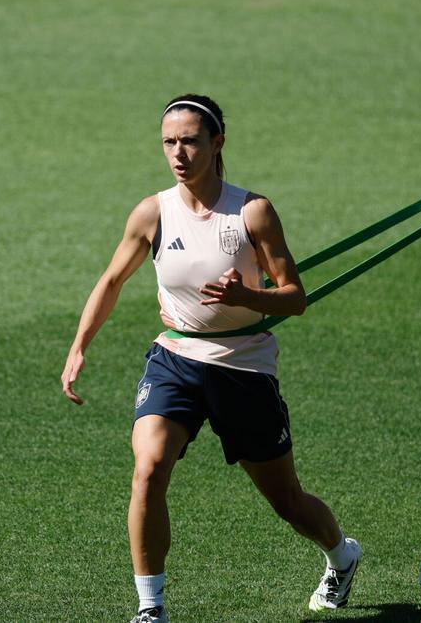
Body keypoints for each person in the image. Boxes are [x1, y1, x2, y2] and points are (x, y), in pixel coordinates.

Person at [61, 95, 361, 622]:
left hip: (243, 367)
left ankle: (341, 553)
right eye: (169, 143)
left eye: (190, 141)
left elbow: (295, 297)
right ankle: (150, 608)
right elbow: (111, 281)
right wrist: (79, 346)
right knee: (149, 470)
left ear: (217, 143)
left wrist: (250, 298)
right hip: (175, 358)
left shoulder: (252, 212)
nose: (178, 153)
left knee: (287, 501)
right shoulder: (153, 212)